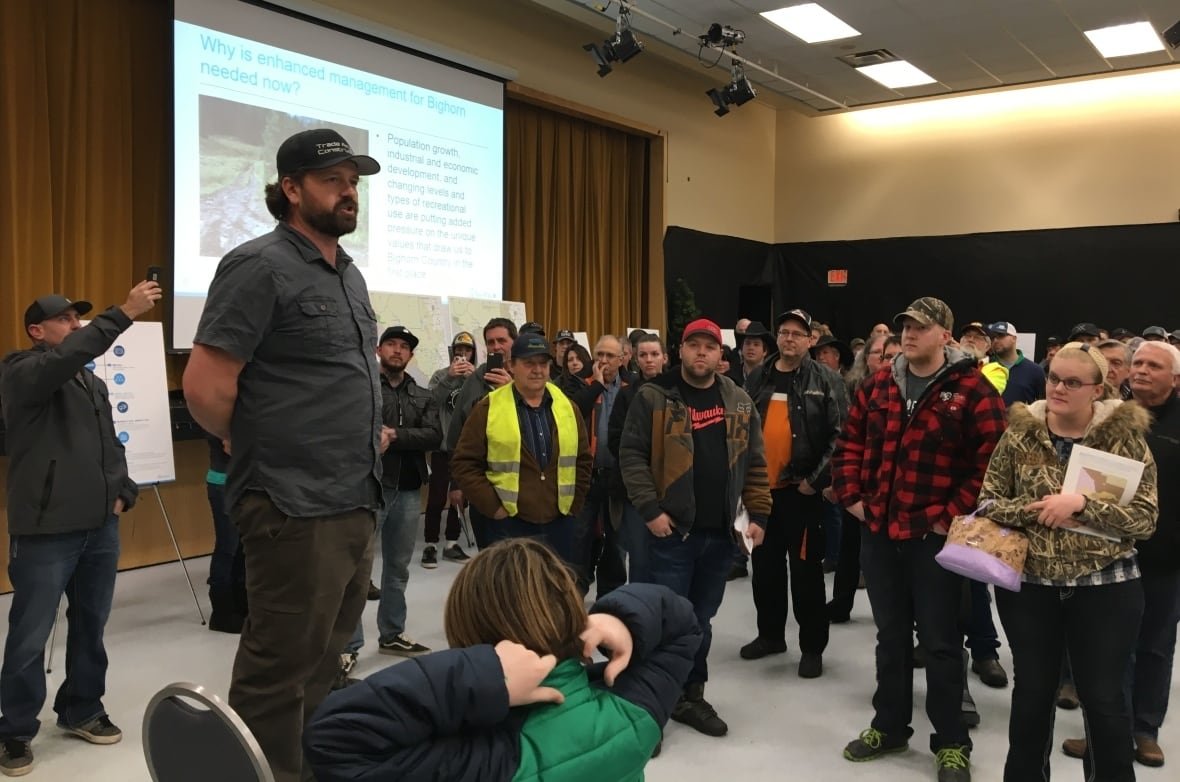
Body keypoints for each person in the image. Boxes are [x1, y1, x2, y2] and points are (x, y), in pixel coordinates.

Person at [181, 128, 384, 782]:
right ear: (291, 188)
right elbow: (205, 388)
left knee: (325, 661)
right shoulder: (258, 265)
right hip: (292, 503)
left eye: (353, 182)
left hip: (354, 497)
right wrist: (256, 441)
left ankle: (301, 769)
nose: (348, 192)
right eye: (333, 180)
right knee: (279, 671)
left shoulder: (349, 274)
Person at [303, 538, 703, 781]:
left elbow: (333, 739)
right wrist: (620, 619)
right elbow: (682, 624)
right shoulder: (631, 713)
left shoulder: (487, 760)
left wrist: (483, 676)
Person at [833, 297, 1006, 782]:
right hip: (880, 533)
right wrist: (851, 496)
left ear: (945, 335)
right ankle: (889, 726)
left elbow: (991, 463)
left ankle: (951, 742)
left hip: (935, 540)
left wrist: (949, 518)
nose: (908, 334)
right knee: (890, 638)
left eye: (920, 327)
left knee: (941, 642)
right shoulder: (878, 385)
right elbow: (848, 443)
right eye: (905, 326)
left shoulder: (973, 389)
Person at [978, 342, 1157, 782]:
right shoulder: (1019, 433)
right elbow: (988, 503)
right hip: (1032, 587)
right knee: (1032, 695)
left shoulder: (1124, 439)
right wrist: (1041, 508)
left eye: (1072, 382)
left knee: (1104, 699)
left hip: (1107, 585)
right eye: (1054, 378)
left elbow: (1145, 519)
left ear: (1097, 389)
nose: (1058, 388)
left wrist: (1082, 505)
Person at [0, 285, 160, 776]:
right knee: (30, 634)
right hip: (47, 530)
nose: (76, 325)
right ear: (36, 330)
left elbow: (110, 443)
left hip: (100, 528)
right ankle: (14, 731)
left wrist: (124, 489)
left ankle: (81, 708)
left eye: (78, 319)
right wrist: (125, 312)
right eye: (65, 319)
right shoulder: (21, 370)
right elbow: (64, 359)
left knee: (91, 625)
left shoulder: (90, 382)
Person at [619, 318, 772, 738]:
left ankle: (690, 694)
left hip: (720, 536)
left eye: (710, 346)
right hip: (672, 533)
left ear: (721, 355)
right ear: (680, 351)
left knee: (700, 621)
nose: (701, 352)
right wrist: (650, 510)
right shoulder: (654, 396)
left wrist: (758, 516)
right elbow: (631, 455)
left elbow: (755, 463)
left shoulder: (738, 400)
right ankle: (649, 705)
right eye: (694, 345)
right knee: (663, 621)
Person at [1060, 340, 1180, 768]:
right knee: (1110, 650)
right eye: (1138, 363)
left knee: (1155, 647)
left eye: (1154, 365)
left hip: (1166, 557)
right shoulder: (1110, 415)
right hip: (1108, 552)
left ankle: (1145, 731)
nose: (1142, 370)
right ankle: (1105, 735)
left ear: (1175, 378)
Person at [740, 308, 846, 678]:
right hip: (760, 493)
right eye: (784, 332)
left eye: (797, 333)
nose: (789, 339)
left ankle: (812, 648)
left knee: (806, 575)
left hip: (801, 493)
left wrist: (814, 481)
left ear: (810, 340)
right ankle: (770, 635)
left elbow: (841, 437)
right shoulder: (758, 376)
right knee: (764, 570)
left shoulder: (826, 380)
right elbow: (741, 427)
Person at [340, 325, 442, 682]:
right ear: (379, 349)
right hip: (369, 488)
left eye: (404, 347)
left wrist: (395, 435)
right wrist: (375, 435)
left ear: (411, 356)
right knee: (356, 571)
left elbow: (434, 435)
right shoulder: (362, 388)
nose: (397, 351)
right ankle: (347, 646)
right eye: (391, 344)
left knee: (398, 569)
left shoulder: (423, 394)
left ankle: (392, 633)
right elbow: (349, 427)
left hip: (409, 489)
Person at [450, 333, 593, 566]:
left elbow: (583, 459)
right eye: (529, 363)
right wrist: (494, 508)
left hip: (560, 522)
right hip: (508, 524)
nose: (537, 370)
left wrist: (575, 504)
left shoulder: (568, 407)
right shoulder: (488, 407)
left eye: (543, 363)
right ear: (511, 365)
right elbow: (464, 463)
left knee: (555, 584)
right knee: (510, 586)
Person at [445, 318, 518, 548]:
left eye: (501, 340)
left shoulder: (529, 376)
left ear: (514, 342)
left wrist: (511, 391)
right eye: (490, 342)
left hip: (523, 488)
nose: (496, 347)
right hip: (483, 487)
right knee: (489, 557)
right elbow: (457, 433)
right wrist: (456, 483)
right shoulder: (474, 381)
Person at [607, 332, 669, 583]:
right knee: (640, 559)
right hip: (636, 489)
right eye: (643, 355)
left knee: (671, 559)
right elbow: (615, 439)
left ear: (665, 357)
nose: (649, 360)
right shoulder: (626, 395)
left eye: (654, 354)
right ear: (635, 359)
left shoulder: (678, 391)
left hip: (672, 488)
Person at [572, 336, 630, 597]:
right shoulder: (579, 383)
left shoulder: (631, 387)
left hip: (619, 477)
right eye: (600, 354)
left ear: (621, 359)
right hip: (587, 476)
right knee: (579, 538)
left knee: (617, 541)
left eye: (610, 356)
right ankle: (575, 593)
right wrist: (595, 385)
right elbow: (574, 412)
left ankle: (610, 596)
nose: (604, 361)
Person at [422, 331, 477, 568]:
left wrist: (475, 380)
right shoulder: (440, 375)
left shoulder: (476, 376)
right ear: (452, 353)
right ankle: (430, 544)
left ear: (473, 353)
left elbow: (484, 404)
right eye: (458, 350)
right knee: (436, 497)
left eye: (467, 350)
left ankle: (452, 543)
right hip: (443, 447)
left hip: (466, 450)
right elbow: (429, 403)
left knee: (461, 497)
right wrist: (449, 377)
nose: (462, 354)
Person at [205, 435, 246, 633]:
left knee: (242, 548)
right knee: (228, 547)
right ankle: (222, 613)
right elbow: (229, 444)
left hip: (242, 480)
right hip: (223, 481)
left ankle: (241, 606)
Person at [987, 321, 1044, 405]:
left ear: (1014, 338)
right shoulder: (985, 365)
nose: (995, 340)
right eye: (992, 337)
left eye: (1000, 335)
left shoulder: (1035, 371)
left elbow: (1043, 404)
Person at [727, 321, 772, 385]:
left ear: (765, 351)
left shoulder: (772, 378)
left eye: (756, 344)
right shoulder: (729, 378)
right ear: (741, 349)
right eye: (747, 343)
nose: (751, 348)